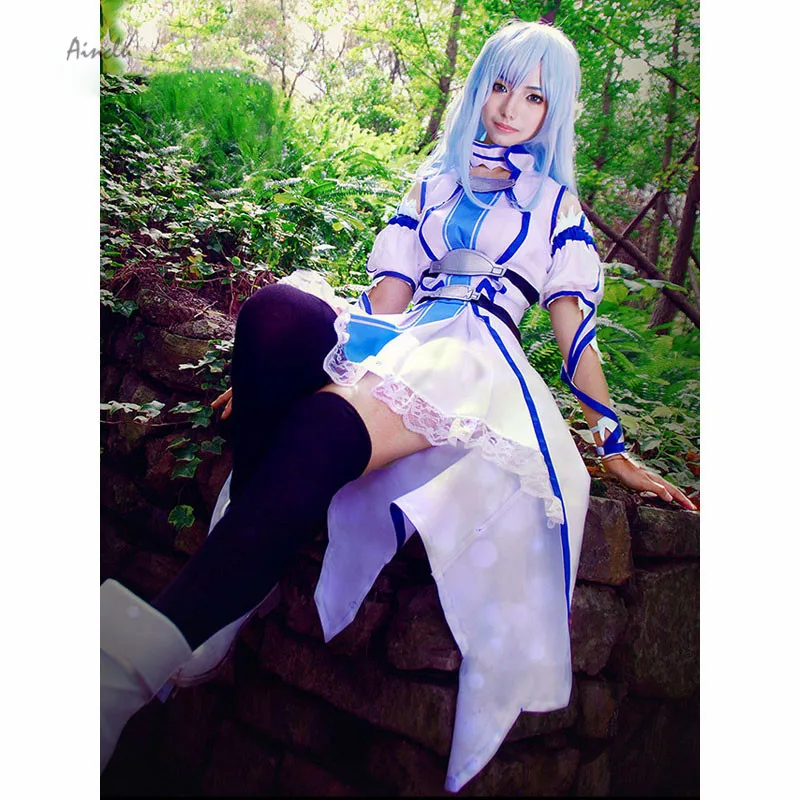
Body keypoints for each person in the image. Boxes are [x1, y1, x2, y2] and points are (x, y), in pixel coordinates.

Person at [100, 19, 696, 793]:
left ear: (555, 111)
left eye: (534, 96)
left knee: (318, 427)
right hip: (409, 338)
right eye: (501, 86)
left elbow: (575, 334)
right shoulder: (436, 182)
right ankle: (236, 581)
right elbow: (387, 302)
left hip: (474, 360)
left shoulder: (558, 209)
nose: (511, 108)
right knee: (277, 314)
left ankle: (119, 673)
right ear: (480, 88)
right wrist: (304, 370)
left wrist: (611, 444)